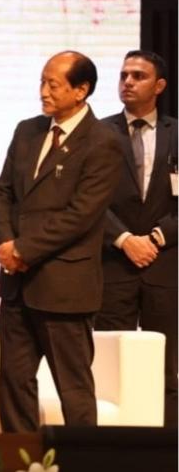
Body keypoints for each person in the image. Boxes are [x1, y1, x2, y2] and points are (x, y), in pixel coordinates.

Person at [0, 50, 122, 431]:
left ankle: (84, 462)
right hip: (16, 284)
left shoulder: (102, 142)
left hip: (65, 287)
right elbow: (3, 192)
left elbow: (82, 215)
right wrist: (6, 243)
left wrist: (24, 249)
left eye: (54, 84)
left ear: (81, 91)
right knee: (14, 383)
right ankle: (20, 461)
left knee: (74, 389)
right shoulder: (27, 130)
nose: (43, 91)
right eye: (42, 82)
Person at [97, 50, 177, 426]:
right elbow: (86, 201)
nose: (127, 81)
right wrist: (125, 238)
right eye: (124, 74)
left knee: (168, 367)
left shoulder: (177, 134)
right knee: (111, 364)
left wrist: (158, 237)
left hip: (164, 266)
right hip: (113, 264)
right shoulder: (97, 134)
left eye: (138, 76)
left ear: (159, 86)